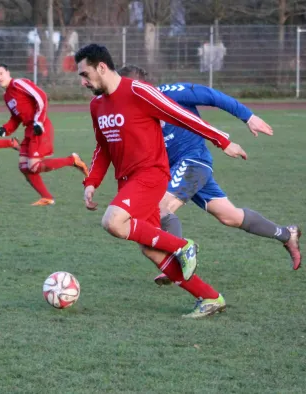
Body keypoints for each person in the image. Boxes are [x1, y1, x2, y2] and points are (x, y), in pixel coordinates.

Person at [75, 44, 248, 318]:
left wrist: (222, 140)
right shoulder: (97, 105)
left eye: (85, 74)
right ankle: (210, 297)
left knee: (113, 221)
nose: (82, 82)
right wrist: (92, 181)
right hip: (127, 179)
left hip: (151, 174)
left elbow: (182, 116)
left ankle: (184, 245)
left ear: (101, 67)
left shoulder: (138, 91)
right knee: (152, 251)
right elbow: (102, 146)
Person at [117, 65, 303, 285]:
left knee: (160, 207)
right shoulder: (128, 112)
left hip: (193, 161)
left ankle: (176, 261)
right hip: (174, 169)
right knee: (230, 216)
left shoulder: (170, 93)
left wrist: (248, 116)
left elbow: (211, 95)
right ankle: (286, 234)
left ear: (140, 86)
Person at [0, 63, 90, 206]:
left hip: (40, 127)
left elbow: (41, 96)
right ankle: (47, 197)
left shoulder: (18, 84)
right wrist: (6, 129)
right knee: (24, 167)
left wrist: (39, 121)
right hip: (29, 129)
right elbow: (16, 118)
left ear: (8, 72)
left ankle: (72, 160)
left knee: (33, 166)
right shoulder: (7, 96)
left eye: (0, 74)